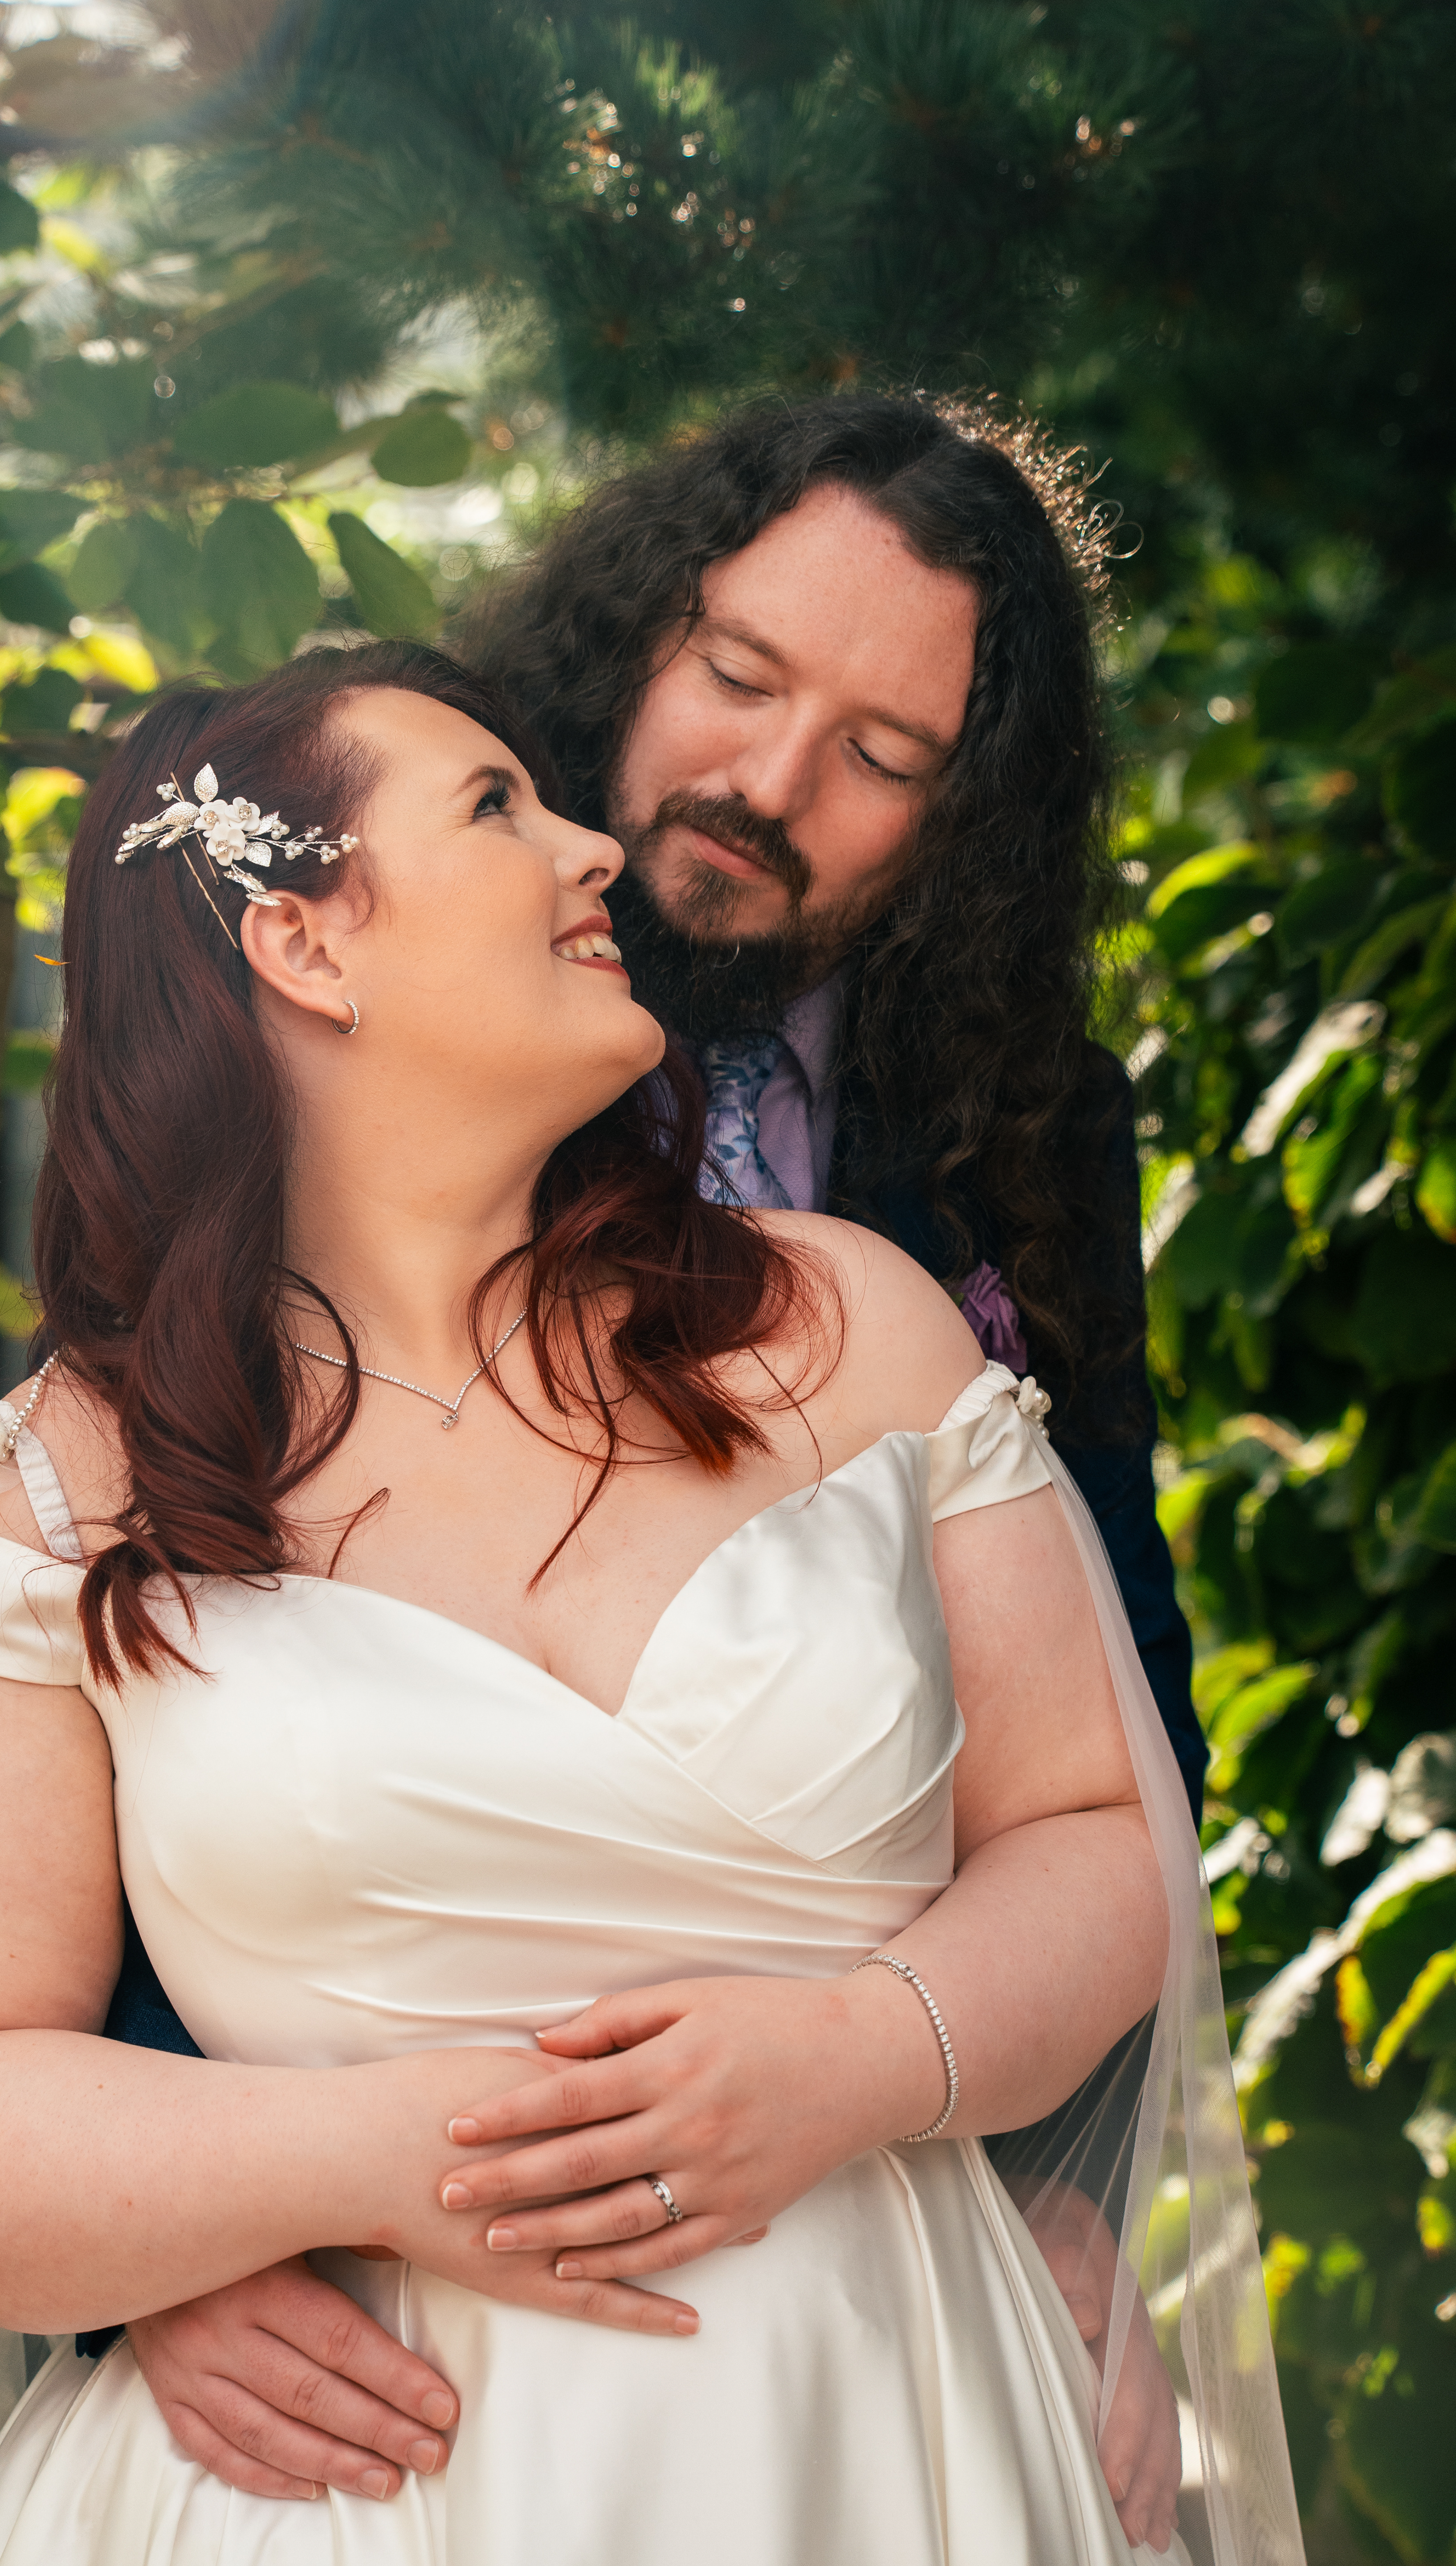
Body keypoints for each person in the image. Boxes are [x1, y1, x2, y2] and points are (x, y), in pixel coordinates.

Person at [0, 644, 1299, 2566]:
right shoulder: (57, 1483)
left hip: (881, 2431)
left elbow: (1096, 1833)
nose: (593, 853)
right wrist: (373, 2163)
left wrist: (865, 2057)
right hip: (341, 2487)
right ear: (308, 951)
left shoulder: (843, 1327)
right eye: (496, 808)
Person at [104, 396, 1207, 2533]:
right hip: (341, 2294)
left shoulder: (1021, 1122)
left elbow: (1115, 1706)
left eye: (887, 762)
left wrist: (1058, 2179)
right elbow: (125, 1649)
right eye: (742, 678)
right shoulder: (365, 1010)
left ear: (965, 824)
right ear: (638, 632)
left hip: (867, 2243)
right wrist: (149, 2239)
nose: (770, 788)